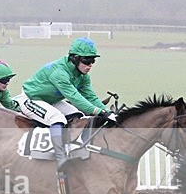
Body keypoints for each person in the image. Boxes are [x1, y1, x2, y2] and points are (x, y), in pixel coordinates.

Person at [15, 37, 116, 172]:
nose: (90, 64)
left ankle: (74, 147)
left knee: (77, 115)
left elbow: (91, 97)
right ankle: (60, 156)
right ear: (74, 58)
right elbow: (75, 97)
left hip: (50, 100)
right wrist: (99, 112)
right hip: (30, 99)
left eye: (93, 60)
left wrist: (107, 112)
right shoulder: (59, 73)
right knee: (57, 118)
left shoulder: (83, 76)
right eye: (87, 60)